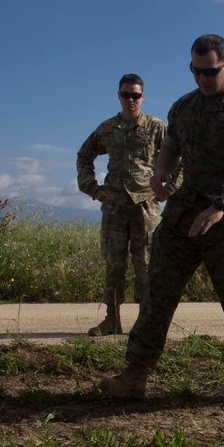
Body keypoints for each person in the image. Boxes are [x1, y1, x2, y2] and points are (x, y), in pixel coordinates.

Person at [98, 34, 224, 414]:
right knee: (157, 292)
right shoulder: (184, 107)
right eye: (195, 71)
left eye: (209, 71)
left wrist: (221, 205)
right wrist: (162, 172)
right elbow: (171, 148)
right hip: (183, 213)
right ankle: (135, 375)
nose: (202, 78)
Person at [77, 73, 166, 337]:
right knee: (114, 264)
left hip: (145, 206)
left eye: (135, 95)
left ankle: (146, 323)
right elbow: (84, 156)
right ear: (119, 96)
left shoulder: (156, 127)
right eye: (126, 94)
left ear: (142, 97)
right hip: (115, 205)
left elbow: (180, 157)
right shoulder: (106, 129)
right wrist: (93, 188)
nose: (131, 100)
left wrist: (168, 188)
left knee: (146, 266)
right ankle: (111, 320)